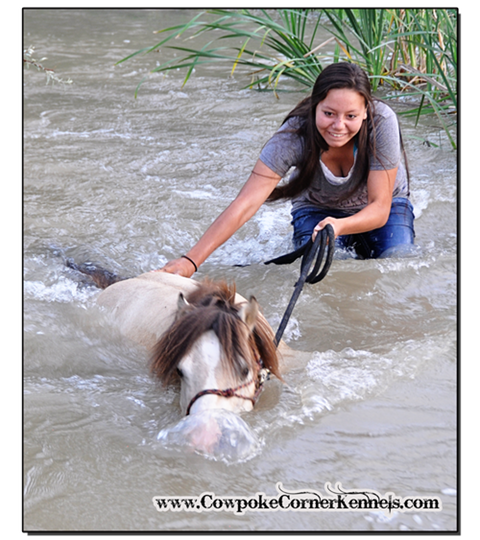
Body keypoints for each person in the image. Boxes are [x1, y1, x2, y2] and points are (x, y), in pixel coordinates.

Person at [158, 62, 415, 277]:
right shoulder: (293, 136)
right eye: (329, 113)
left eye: (351, 116)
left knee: (399, 265)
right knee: (322, 275)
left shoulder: (383, 122)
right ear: (315, 106)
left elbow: (380, 209)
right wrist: (191, 261)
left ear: (366, 113)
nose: (338, 126)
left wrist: (339, 226)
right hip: (317, 209)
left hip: (385, 207)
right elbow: (245, 203)